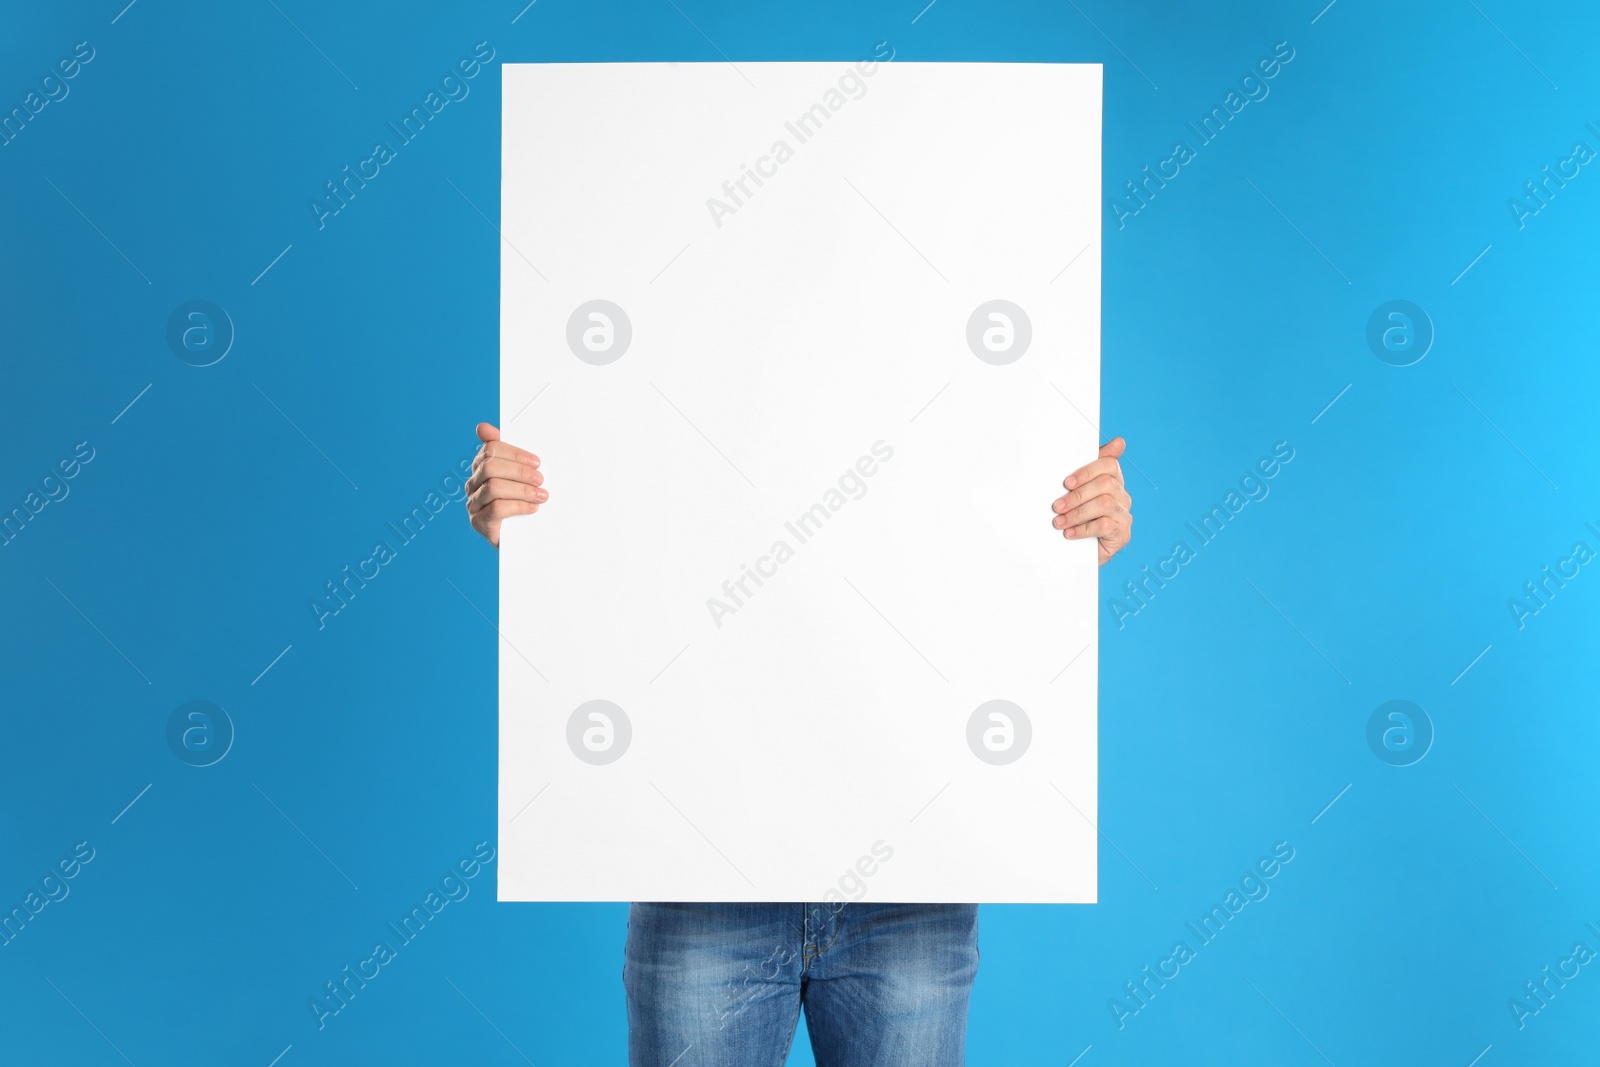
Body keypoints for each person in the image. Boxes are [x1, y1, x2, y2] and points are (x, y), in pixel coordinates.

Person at [465, 420, 1133, 1066]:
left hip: (911, 888)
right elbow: (642, 521)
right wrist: (536, 533)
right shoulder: (673, 336)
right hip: (701, 873)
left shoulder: (963, 362)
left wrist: (1067, 547)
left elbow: (966, 540)